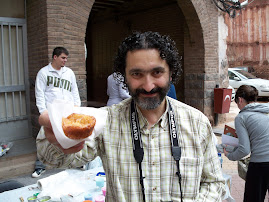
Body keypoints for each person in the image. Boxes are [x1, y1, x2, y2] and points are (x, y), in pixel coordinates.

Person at [36, 31, 225, 201]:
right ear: (124, 77)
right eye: (137, 74)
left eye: (157, 72)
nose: (148, 85)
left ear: (171, 73)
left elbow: (214, 183)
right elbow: (54, 159)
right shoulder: (106, 121)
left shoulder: (197, 123)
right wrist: (53, 134)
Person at [33, 47, 81, 178]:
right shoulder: (44, 73)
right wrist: (43, 112)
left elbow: (74, 90)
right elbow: (39, 93)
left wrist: (77, 107)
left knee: (72, 135)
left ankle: (76, 162)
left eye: (66, 58)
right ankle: (40, 166)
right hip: (52, 111)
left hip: (68, 110)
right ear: (55, 57)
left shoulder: (69, 72)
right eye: (63, 58)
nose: (65, 60)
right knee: (45, 136)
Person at [224, 85, 269, 202]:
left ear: (240, 100)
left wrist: (230, 155)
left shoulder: (242, 117)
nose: (238, 107)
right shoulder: (266, 111)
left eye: (237, 103)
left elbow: (244, 150)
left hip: (260, 164)